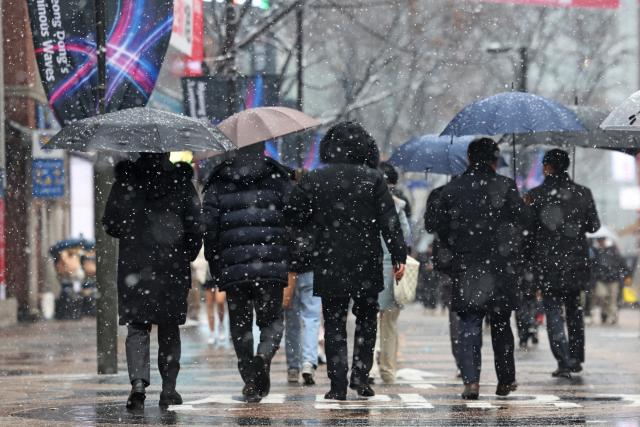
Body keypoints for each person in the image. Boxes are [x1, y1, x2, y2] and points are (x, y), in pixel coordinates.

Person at [285, 122, 407, 401]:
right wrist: (398, 254)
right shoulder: (373, 179)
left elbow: (292, 214)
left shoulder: (316, 178)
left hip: (329, 258)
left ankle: (337, 383)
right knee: (366, 318)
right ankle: (361, 377)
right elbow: (390, 222)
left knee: (334, 321)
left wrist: (316, 226)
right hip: (366, 257)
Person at [102, 153, 203, 410]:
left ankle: (138, 382)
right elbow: (195, 226)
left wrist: (133, 228)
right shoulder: (181, 181)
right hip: (171, 264)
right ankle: (169, 389)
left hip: (134, 265)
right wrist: (185, 253)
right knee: (169, 327)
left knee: (137, 326)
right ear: (167, 152)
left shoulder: (126, 180)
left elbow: (111, 224)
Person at [431, 138, 529, 400]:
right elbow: (523, 223)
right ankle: (505, 378)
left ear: (469, 159)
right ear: (495, 160)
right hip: (500, 267)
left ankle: (471, 381)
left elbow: (438, 228)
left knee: (469, 324)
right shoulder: (506, 186)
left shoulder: (452, 189)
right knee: (500, 324)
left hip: (467, 267)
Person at [203, 143, 292, 403]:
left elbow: (208, 226)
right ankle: (263, 356)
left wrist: (214, 260)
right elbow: (294, 216)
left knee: (240, 325)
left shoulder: (219, 179)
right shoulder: (277, 177)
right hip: (270, 264)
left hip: (234, 265)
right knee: (272, 321)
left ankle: (250, 379)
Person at [526, 149, 600, 378]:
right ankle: (576, 356)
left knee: (553, 312)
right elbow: (594, 226)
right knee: (574, 311)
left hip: (547, 263)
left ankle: (564, 359)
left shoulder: (536, 195)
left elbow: (527, 231)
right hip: (576, 262)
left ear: (548, 167)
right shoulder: (582, 193)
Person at [424, 184, 462, 376]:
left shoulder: (441, 193)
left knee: (455, 316)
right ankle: (469, 362)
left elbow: (430, 225)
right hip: (476, 265)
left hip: (449, 264)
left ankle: (463, 362)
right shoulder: (486, 189)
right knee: (472, 317)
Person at [591, 237, 629, 325]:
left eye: (602, 240)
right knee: (602, 295)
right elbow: (593, 265)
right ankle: (605, 313)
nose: (601, 242)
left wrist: (626, 274)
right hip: (601, 278)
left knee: (613, 299)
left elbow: (621, 263)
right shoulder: (596, 251)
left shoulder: (613, 251)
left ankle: (612, 316)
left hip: (614, 279)